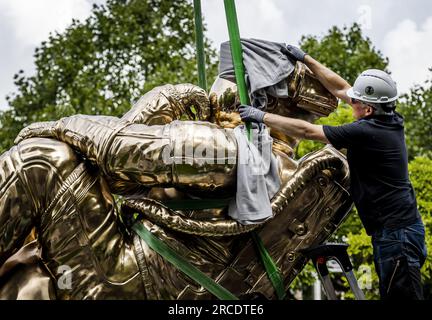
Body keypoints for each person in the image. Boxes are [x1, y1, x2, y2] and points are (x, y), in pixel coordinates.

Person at [238, 45, 427, 300]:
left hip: (397, 236)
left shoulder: (366, 132)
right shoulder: (388, 119)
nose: (351, 103)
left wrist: (261, 116)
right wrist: (305, 58)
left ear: (368, 109)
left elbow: (307, 132)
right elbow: (340, 88)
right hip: (400, 230)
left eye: (356, 102)